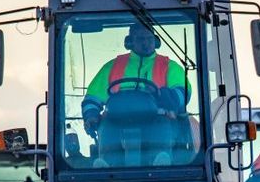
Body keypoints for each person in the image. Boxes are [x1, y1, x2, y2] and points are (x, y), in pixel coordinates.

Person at [80, 23, 191, 166]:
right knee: (106, 126)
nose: (146, 43)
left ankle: (160, 162)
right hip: (116, 120)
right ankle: (107, 166)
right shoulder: (113, 66)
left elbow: (183, 94)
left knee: (162, 125)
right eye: (140, 39)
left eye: (149, 39)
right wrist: (91, 116)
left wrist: (161, 95)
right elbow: (92, 98)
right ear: (129, 42)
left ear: (156, 41)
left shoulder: (169, 67)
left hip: (157, 119)